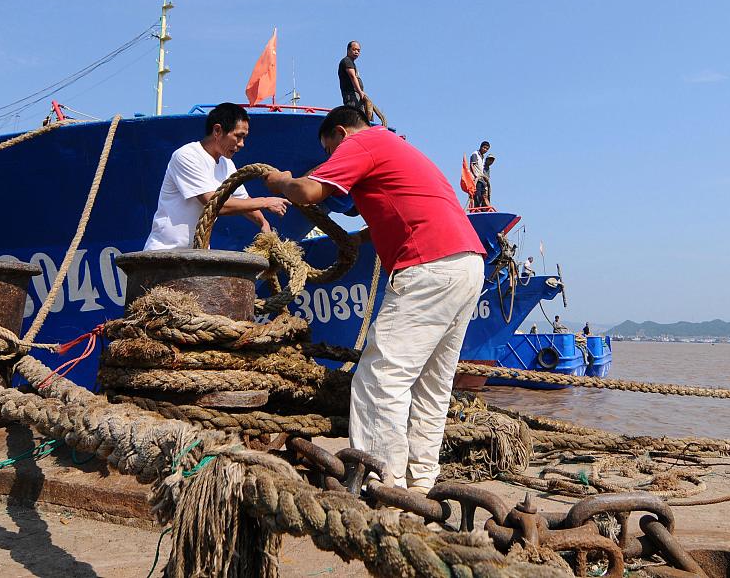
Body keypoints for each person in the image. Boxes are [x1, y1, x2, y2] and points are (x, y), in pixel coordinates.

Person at [264, 105, 485, 492]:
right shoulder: (398, 147)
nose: (332, 159)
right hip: (467, 263)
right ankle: (420, 484)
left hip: (428, 265)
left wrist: (280, 181)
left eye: (330, 150)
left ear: (339, 133)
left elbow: (307, 191)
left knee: (380, 375)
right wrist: (358, 239)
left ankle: (379, 480)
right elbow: (402, 208)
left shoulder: (362, 141)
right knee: (432, 384)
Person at [144, 102, 290, 250]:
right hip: (164, 252)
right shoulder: (187, 156)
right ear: (217, 130)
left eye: (244, 138)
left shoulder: (227, 164)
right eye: (238, 136)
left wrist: (263, 222)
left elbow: (243, 200)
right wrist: (265, 202)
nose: (242, 144)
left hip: (198, 253)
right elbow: (212, 204)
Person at [338, 41, 369, 113]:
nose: (356, 52)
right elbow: (352, 76)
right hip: (352, 95)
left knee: (363, 116)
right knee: (355, 116)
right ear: (348, 50)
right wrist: (360, 91)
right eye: (354, 49)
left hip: (356, 94)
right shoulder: (347, 61)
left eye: (358, 50)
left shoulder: (351, 63)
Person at [468, 141, 492, 208]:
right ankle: (477, 208)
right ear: (481, 147)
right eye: (484, 148)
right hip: (476, 179)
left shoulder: (482, 157)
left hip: (481, 179)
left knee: (484, 195)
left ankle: (482, 208)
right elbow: (472, 165)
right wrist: (475, 175)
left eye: (487, 149)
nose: (485, 150)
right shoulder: (475, 154)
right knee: (477, 195)